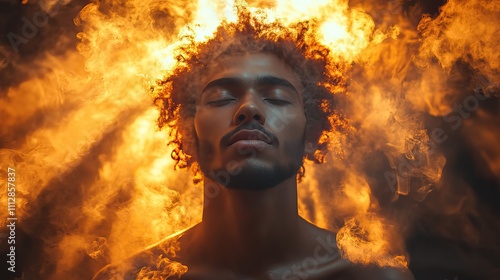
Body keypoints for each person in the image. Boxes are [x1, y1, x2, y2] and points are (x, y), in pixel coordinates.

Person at [93, 8, 414, 280]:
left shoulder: (372, 275)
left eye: (276, 98)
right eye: (222, 98)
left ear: (313, 131)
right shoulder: (135, 274)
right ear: (187, 132)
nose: (249, 108)